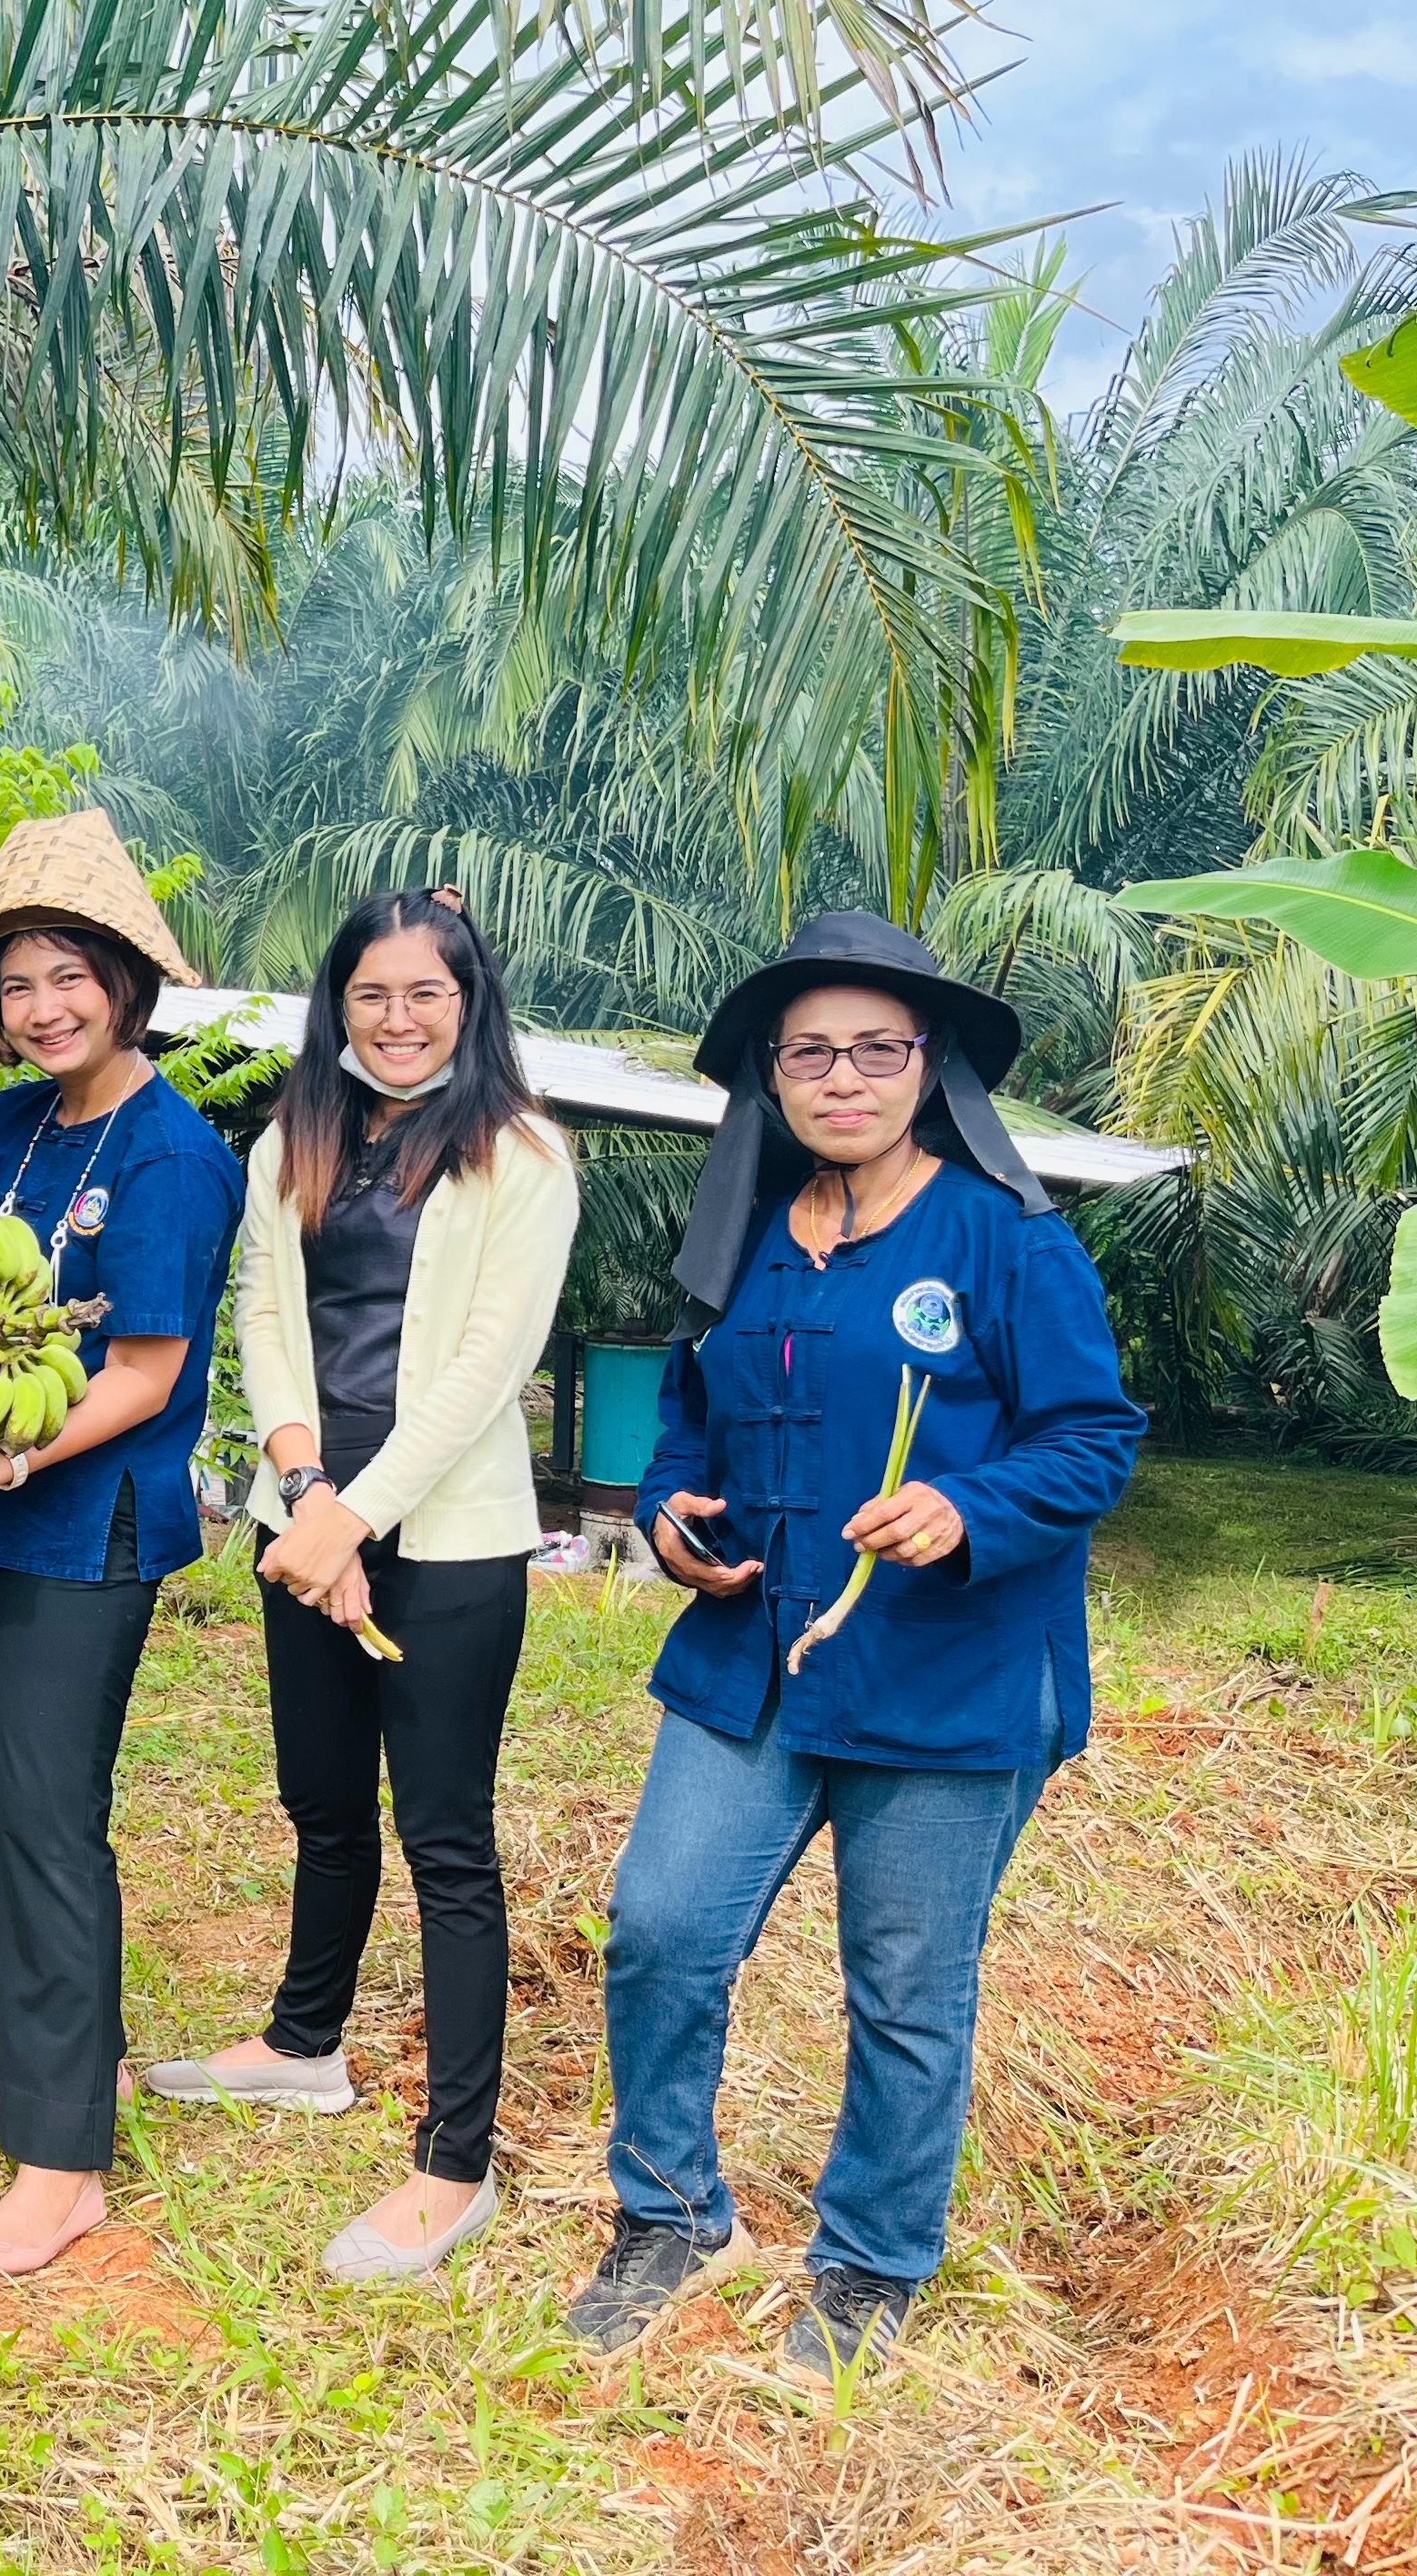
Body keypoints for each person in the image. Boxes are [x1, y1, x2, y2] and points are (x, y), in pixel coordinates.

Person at [565, 914, 1141, 2381]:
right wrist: (667, 1515)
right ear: (772, 1074)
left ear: (927, 1066)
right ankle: (671, 2216)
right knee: (663, 1930)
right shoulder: (749, 1238)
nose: (843, 1078)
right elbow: (689, 1425)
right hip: (752, 1660)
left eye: (876, 1050)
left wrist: (967, 1505)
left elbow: (1094, 1439)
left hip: (948, 1679)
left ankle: (874, 2258)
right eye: (810, 1053)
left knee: (904, 1988)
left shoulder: (1008, 1241)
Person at [146, 887, 578, 2285]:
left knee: (445, 1839)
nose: (398, 1020)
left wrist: (355, 1520)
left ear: (469, 1001)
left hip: (447, 1543)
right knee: (324, 1805)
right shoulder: (297, 1135)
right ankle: (303, 2045)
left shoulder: (524, 1155)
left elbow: (489, 1367)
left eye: (426, 994)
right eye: (372, 994)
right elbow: (266, 1314)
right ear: (338, 1003)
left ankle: (457, 2163)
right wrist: (307, 1489)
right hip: (307, 1517)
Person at [0, 812, 244, 2273]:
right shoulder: (9, 1129)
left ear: (125, 984)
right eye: (18, 983)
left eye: (70, 977)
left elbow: (145, 1371)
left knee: (47, 1812)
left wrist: (17, 1450)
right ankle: (53, 2074)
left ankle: (66, 2162)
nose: (43, 1007)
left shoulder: (170, 1155)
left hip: (86, 1522)